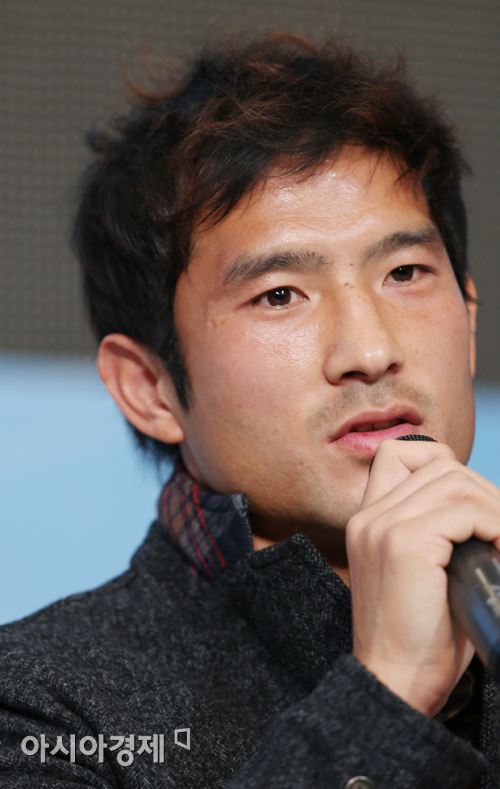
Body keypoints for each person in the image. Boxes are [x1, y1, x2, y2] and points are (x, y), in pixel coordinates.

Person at [1, 31, 499, 789]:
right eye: (279, 295)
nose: (369, 350)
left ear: (470, 321)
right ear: (149, 388)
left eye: (404, 272)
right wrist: (386, 696)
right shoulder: (39, 709)